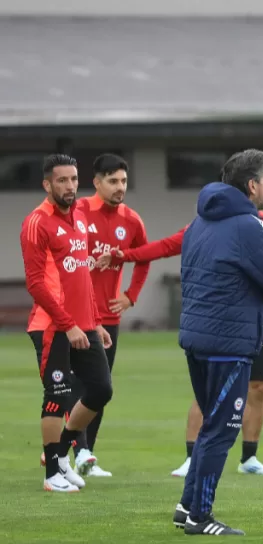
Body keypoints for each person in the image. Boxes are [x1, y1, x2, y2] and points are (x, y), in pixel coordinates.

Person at [98, 204, 263, 478]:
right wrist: (125, 256)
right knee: (207, 391)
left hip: (258, 321)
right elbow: (166, 246)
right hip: (220, 324)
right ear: (251, 185)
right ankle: (192, 457)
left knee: (258, 388)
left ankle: (249, 458)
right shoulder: (204, 225)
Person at [172, 149, 263, 536]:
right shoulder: (249, 225)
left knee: (211, 425)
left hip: (196, 338)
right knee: (223, 429)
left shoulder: (198, 223)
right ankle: (200, 517)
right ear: (252, 185)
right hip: (228, 343)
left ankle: (186, 506)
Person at [21, 154, 114, 493]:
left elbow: (83, 278)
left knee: (101, 389)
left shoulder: (77, 217)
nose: (70, 186)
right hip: (51, 325)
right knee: (56, 397)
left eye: (74, 179)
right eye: (62, 180)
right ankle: (51, 477)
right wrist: (67, 324)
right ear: (47, 184)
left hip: (84, 324)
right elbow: (36, 284)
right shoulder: (36, 222)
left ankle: (59, 456)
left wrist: (96, 321)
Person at [68, 153, 150, 477]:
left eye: (124, 181)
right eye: (113, 181)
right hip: (77, 316)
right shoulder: (77, 213)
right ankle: (76, 451)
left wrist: (131, 296)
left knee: (100, 388)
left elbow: (144, 257)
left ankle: (86, 453)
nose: (120, 187)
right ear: (97, 182)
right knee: (81, 384)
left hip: (109, 318)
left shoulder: (131, 220)